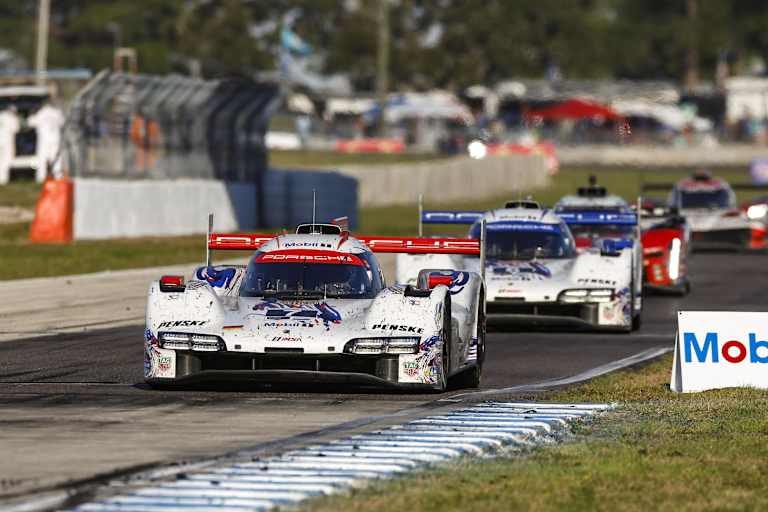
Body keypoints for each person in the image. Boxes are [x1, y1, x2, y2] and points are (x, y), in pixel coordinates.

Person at [28, 103, 65, 181]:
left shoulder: (40, 113)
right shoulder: (57, 113)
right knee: (56, 159)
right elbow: (62, 122)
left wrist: (31, 113)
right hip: (55, 139)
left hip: (44, 140)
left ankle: (41, 178)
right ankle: (58, 177)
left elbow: (30, 123)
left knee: (42, 159)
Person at [0, 106, 20, 184]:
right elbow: (16, 130)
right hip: (7, 141)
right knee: (7, 160)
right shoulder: (12, 118)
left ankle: (2, 178)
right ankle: (3, 179)